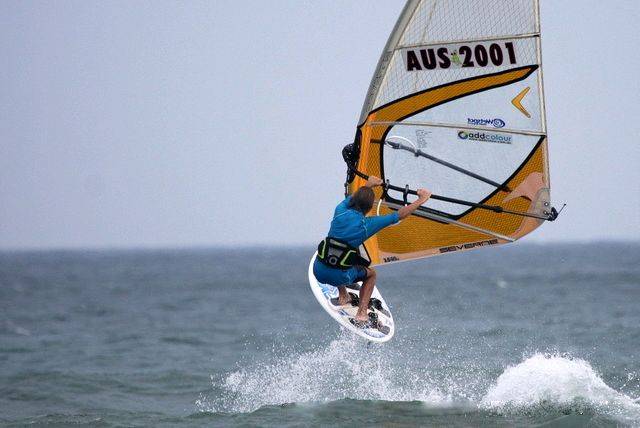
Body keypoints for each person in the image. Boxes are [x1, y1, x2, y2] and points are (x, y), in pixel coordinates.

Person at [314, 175, 431, 325]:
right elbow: (399, 215)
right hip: (339, 277)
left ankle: (343, 295)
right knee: (371, 274)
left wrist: (368, 185)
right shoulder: (366, 225)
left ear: (354, 200)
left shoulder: (340, 210)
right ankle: (362, 313)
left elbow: (353, 198)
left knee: (341, 254)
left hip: (318, 270)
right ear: (369, 208)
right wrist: (421, 200)